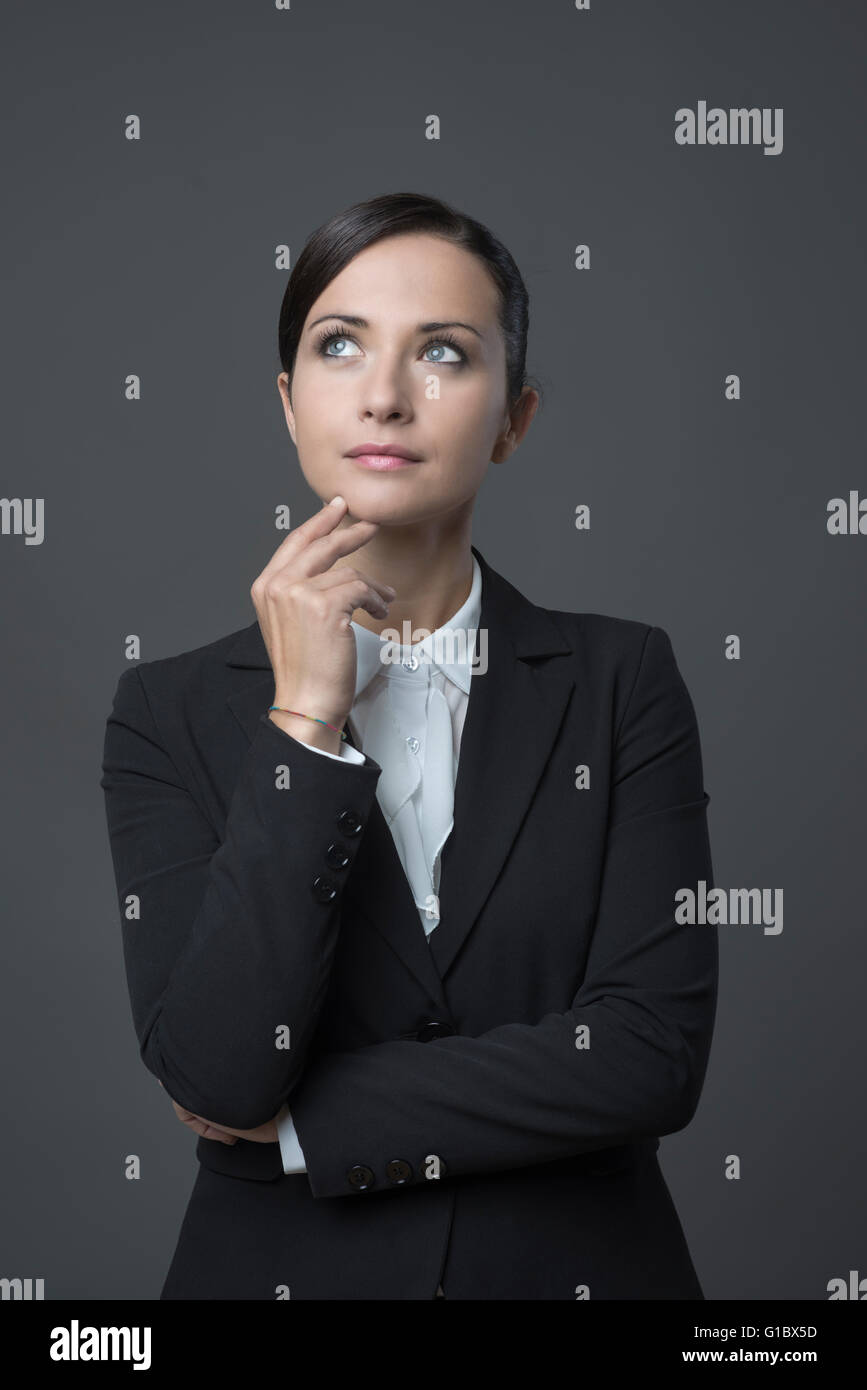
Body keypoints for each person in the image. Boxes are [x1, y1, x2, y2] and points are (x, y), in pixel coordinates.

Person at [100, 190, 718, 1300]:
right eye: (340, 346)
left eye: (441, 352)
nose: (385, 396)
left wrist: (300, 1125)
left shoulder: (625, 679)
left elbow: (646, 1056)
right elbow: (221, 1064)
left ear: (514, 418)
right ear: (290, 406)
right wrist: (302, 723)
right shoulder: (165, 708)